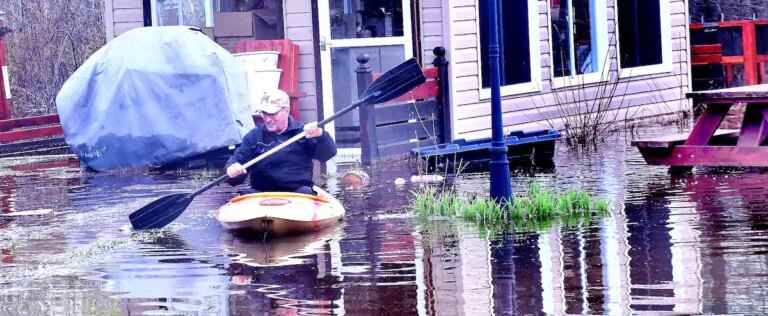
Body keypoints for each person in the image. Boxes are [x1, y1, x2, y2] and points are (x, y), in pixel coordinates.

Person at [225, 89, 337, 195]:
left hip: (299, 194)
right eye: (264, 113)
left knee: (306, 192)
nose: (267, 119)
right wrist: (232, 170)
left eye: (272, 113)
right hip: (261, 194)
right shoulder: (254, 137)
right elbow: (236, 167)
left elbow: (327, 154)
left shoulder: (302, 133)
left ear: (286, 110)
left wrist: (321, 136)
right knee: (245, 193)